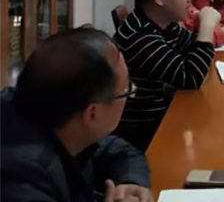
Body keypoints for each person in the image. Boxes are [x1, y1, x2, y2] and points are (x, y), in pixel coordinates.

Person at [1, 28, 151, 202]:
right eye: (126, 90)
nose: (129, 96)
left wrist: (130, 182)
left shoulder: (59, 117)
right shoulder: (20, 179)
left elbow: (120, 151)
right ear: (92, 113)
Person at [115, 0, 220, 90]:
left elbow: (193, 50)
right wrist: (207, 26)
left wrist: (201, 29)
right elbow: (191, 78)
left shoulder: (167, 24)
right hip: (158, 104)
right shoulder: (140, 36)